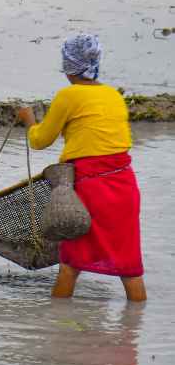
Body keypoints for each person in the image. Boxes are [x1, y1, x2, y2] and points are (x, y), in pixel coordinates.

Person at [17, 34, 146, 302]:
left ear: (68, 66)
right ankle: (133, 335)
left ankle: (60, 330)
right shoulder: (113, 96)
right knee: (130, 269)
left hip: (92, 188)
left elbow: (40, 140)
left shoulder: (69, 95)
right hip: (125, 187)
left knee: (70, 264)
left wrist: (29, 120)